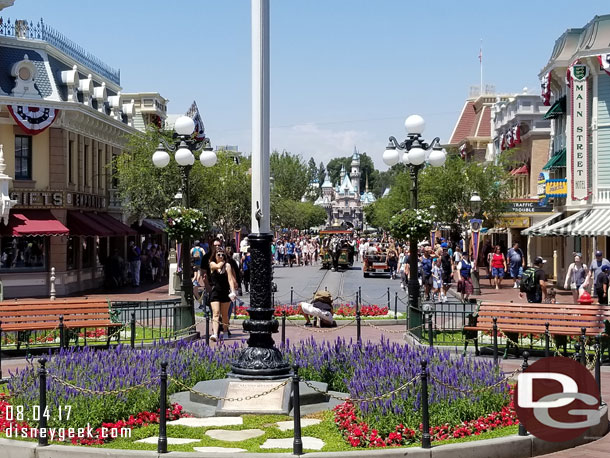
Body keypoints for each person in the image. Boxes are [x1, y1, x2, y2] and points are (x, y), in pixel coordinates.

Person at [208, 247, 239, 342]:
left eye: (223, 255)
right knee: (216, 313)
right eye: (219, 255)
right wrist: (223, 261)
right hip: (215, 292)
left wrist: (232, 291)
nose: (221, 256)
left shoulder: (228, 266)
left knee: (225, 314)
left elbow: (230, 279)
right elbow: (217, 267)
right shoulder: (212, 263)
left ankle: (225, 331)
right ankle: (215, 334)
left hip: (225, 292)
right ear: (215, 255)